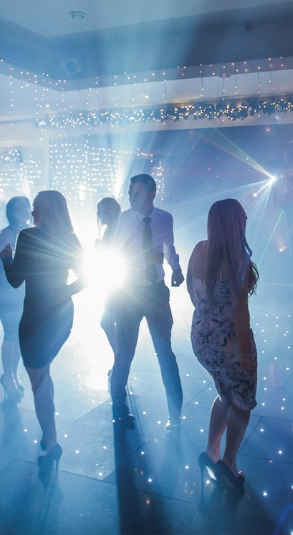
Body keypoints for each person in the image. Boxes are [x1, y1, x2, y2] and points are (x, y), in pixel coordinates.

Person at [0, 190, 84, 472]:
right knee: (43, 372)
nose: (32, 212)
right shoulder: (69, 238)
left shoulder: (28, 236)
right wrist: (63, 293)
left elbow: (14, 281)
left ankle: (52, 443)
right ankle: (50, 432)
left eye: (35, 207)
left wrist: (6, 258)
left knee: (38, 381)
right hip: (62, 315)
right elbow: (86, 278)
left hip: (37, 317)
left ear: (46, 210)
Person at [188, 199, 259, 491]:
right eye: (242, 215)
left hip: (201, 336)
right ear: (233, 222)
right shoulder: (236, 256)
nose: (246, 217)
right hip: (229, 338)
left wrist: (206, 317)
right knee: (242, 400)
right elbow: (239, 308)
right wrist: (245, 352)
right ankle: (228, 463)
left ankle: (210, 452)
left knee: (225, 393)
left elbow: (193, 294)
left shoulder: (199, 249)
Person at [110, 174, 184, 430]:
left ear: (152, 194)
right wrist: (143, 258)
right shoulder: (122, 219)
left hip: (156, 292)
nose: (131, 199)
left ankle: (175, 416)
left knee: (165, 353)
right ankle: (118, 407)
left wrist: (176, 268)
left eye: (137, 194)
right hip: (129, 293)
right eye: (130, 194)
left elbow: (169, 246)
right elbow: (115, 254)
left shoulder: (165, 218)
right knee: (125, 352)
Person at [0, 195, 31, 400]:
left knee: (19, 335)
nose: (24, 211)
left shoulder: (28, 232)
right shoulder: (8, 233)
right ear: (11, 212)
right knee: (10, 333)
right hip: (5, 288)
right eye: (19, 208)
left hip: (22, 288)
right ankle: (7, 376)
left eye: (26, 207)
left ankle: (12, 374)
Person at [95, 197, 122, 357]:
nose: (101, 215)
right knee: (109, 322)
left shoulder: (116, 230)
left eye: (105, 211)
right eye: (99, 211)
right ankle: (119, 357)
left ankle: (120, 357)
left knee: (108, 322)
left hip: (120, 285)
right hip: (115, 283)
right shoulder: (110, 230)